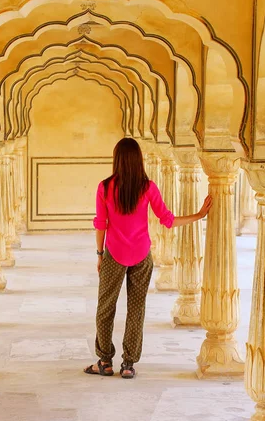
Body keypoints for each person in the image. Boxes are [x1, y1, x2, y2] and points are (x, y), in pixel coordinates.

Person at [84, 138, 212, 379]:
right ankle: (129, 364)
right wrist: (198, 215)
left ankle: (105, 361)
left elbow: (101, 225)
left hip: (114, 254)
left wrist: (100, 254)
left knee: (105, 308)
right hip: (142, 255)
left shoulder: (105, 187)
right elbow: (168, 220)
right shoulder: (148, 187)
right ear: (138, 160)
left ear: (117, 160)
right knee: (136, 309)